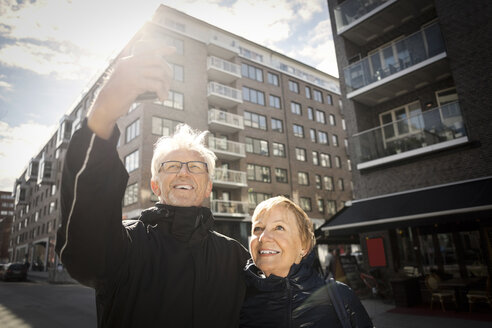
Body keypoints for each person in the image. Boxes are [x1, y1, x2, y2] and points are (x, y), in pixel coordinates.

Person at [55, 39, 249, 328]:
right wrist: (104, 113)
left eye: (195, 167)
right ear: (156, 186)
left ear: (208, 186)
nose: (184, 173)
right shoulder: (126, 246)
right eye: (171, 166)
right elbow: (84, 252)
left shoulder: (235, 257)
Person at [240, 196, 373, 328]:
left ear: (304, 245)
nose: (263, 237)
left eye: (279, 227)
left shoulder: (341, 297)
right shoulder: (234, 298)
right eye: (257, 228)